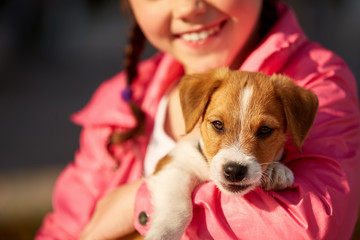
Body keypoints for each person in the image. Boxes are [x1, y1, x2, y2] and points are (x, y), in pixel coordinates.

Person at [36, 0, 360, 239]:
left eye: (263, 131)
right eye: (217, 125)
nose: (189, 7)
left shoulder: (316, 80)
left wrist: (133, 205)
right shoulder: (118, 102)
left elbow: (311, 228)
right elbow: (63, 228)